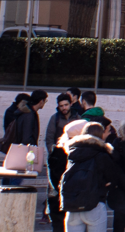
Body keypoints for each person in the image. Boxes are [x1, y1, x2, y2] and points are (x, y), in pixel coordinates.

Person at [61, 122, 125, 232]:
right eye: (107, 132)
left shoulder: (72, 152)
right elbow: (113, 177)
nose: (108, 134)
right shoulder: (102, 154)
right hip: (95, 204)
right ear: (100, 134)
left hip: (72, 206)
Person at [46, 93, 77, 231]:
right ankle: (52, 215)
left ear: (71, 104)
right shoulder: (55, 118)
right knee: (54, 190)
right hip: (57, 159)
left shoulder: (77, 118)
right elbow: (49, 137)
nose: (64, 108)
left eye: (66, 105)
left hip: (71, 158)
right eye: (61, 106)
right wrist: (53, 152)